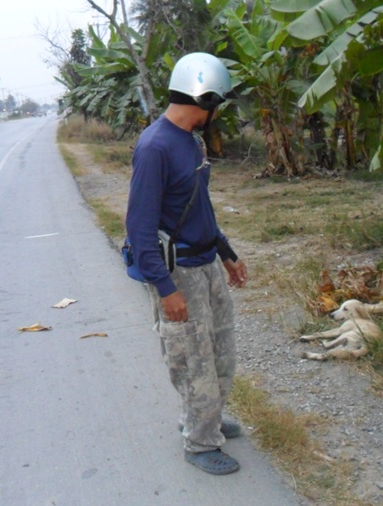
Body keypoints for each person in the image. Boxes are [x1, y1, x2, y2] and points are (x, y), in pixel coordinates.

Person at [125, 52, 248, 475]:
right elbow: (139, 228)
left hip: (207, 262)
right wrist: (165, 289)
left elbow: (199, 207)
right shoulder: (155, 146)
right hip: (178, 272)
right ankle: (198, 443)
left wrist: (226, 253)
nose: (218, 111)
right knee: (192, 359)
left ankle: (205, 419)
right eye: (218, 102)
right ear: (206, 98)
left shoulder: (191, 140)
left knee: (220, 352)